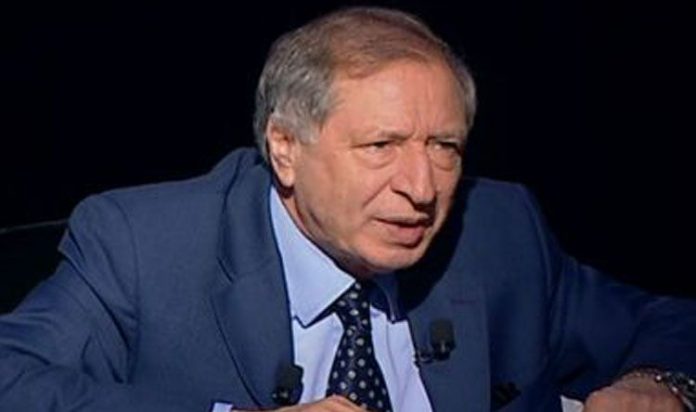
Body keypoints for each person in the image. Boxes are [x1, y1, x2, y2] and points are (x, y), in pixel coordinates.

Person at [1, 6, 695, 412]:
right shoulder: (143, 246)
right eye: (381, 146)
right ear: (285, 149)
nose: (421, 187)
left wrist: (656, 384)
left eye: (444, 146)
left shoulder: (498, 230)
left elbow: (670, 324)